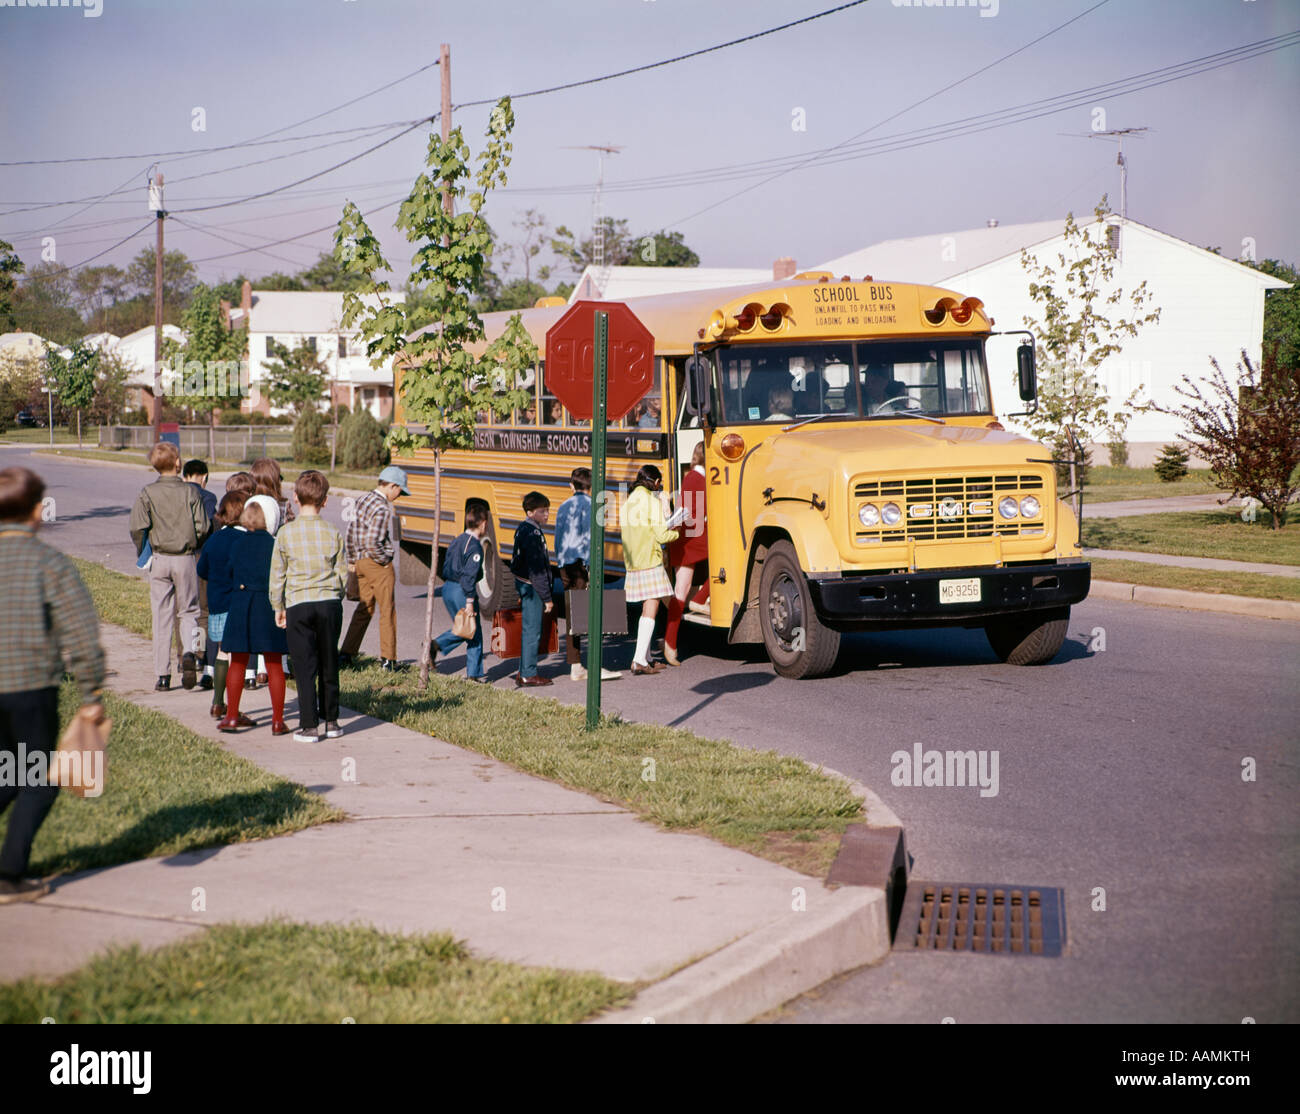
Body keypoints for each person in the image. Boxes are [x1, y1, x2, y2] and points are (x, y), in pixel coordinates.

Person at [0, 467, 107, 903]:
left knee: (10, 773)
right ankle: (8, 874)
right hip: (29, 688)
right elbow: (80, 633)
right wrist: (91, 692)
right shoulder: (50, 563)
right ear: (37, 510)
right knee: (38, 782)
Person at [270, 470, 347, 742]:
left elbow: (278, 574)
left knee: (304, 666)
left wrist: (278, 605)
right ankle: (333, 721)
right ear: (325, 501)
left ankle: (309, 725)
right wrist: (337, 595)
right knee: (329, 662)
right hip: (328, 603)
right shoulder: (333, 531)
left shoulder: (285, 533)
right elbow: (342, 572)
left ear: (295, 497)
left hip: (298, 604)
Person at [129, 441, 211, 692]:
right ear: (178, 464)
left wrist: (144, 550)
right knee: (189, 611)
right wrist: (194, 540)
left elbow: (137, 527)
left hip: (160, 558)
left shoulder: (147, 493)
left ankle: (162, 675)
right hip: (185, 557)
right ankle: (188, 652)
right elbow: (203, 526)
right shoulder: (190, 493)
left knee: (161, 615)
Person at [217, 496, 289, 734]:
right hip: (267, 604)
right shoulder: (274, 544)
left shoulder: (236, 543)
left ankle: (231, 717)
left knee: (237, 661)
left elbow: (228, 573)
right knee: (274, 663)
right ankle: (278, 721)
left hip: (240, 603)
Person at [553, 467, 620, 682]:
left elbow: (558, 538)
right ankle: (593, 666)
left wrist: (560, 563)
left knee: (574, 616)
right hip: (582, 566)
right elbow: (593, 540)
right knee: (590, 615)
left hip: (565, 565)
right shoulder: (593, 507)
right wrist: (593, 567)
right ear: (591, 487)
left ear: (571, 485)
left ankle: (576, 666)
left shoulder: (563, 506)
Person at [340, 465, 409, 671]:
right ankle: (388, 660)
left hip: (359, 561)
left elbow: (351, 532)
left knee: (364, 608)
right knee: (387, 610)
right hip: (377, 563)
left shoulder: (362, 500)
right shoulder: (381, 507)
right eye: (400, 491)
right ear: (392, 486)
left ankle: (346, 654)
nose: (399, 495)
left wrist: (353, 560)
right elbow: (373, 541)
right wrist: (384, 560)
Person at [196, 491, 250, 723]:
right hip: (239, 604)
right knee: (237, 656)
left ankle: (217, 702)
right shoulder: (246, 540)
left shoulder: (214, 539)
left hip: (217, 603)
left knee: (221, 651)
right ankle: (233, 707)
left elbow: (201, 570)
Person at [620, 464, 678, 676]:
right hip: (650, 560)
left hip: (633, 561)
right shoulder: (651, 502)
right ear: (655, 482)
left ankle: (646, 658)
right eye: (659, 483)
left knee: (646, 609)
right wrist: (677, 532)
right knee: (651, 610)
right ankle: (638, 661)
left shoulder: (627, 503)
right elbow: (662, 536)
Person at [429, 504, 488, 683]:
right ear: (483, 524)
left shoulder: (457, 540)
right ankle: (438, 645)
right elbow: (469, 575)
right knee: (472, 631)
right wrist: (470, 600)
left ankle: (473, 671)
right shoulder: (475, 547)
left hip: (448, 587)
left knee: (467, 628)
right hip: (462, 590)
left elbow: (446, 565)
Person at [664, 443, 711, 665]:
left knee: (680, 591)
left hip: (688, 537)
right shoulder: (697, 478)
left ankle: (670, 643)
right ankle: (700, 600)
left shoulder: (693, 476)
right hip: (693, 537)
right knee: (730, 563)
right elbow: (690, 510)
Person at [509, 491, 553, 687]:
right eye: (542, 511)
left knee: (528, 629)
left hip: (523, 582)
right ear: (529, 512)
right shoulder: (533, 533)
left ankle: (523, 670)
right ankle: (528, 673)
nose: (547, 514)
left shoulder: (522, 528)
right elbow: (537, 571)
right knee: (532, 630)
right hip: (532, 586)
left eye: (548, 510)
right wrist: (547, 598)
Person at [184, 459, 218, 690]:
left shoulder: (179, 494)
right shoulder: (209, 497)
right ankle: (201, 654)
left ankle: (185, 655)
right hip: (202, 556)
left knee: (185, 610)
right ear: (204, 476)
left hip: (179, 556)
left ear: (185, 476)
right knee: (204, 610)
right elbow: (207, 527)